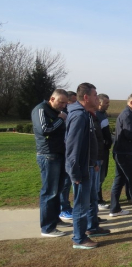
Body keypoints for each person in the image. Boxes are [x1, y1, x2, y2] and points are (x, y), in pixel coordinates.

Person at [66, 82, 110, 250]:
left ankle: (92, 228)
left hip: (90, 166)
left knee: (91, 200)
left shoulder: (87, 114)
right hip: (81, 169)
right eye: (94, 95)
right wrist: (75, 173)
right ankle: (79, 238)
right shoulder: (79, 116)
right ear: (86, 97)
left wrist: (93, 163)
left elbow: (89, 142)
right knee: (81, 205)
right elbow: (72, 147)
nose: (97, 98)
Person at [32, 89, 70, 237]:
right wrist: (61, 119)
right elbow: (44, 130)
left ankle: (55, 220)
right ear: (51, 99)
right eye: (61, 102)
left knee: (57, 190)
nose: (63, 105)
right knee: (49, 192)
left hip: (59, 153)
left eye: (65, 103)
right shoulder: (41, 109)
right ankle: (47, 228)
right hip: (48, 155)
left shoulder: (56, 111)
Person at [59, 91, 78, 221]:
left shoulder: (69, 114)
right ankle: (63, 209)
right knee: (65, 183)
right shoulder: (63, 115)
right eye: (71, 102)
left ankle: (66, 206)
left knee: (67, 182)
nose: (71, 105)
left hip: (67, 152)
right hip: (63, 152)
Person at [96, 94, 112, 210]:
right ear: (99, 103)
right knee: (98, 177)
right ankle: (97, 200)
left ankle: (99, 199)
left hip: (105, 150)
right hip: (99, 151)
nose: (108, 105)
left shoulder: (103, 114)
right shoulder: (96, 115)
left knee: (102, 176)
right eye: (106, 103)